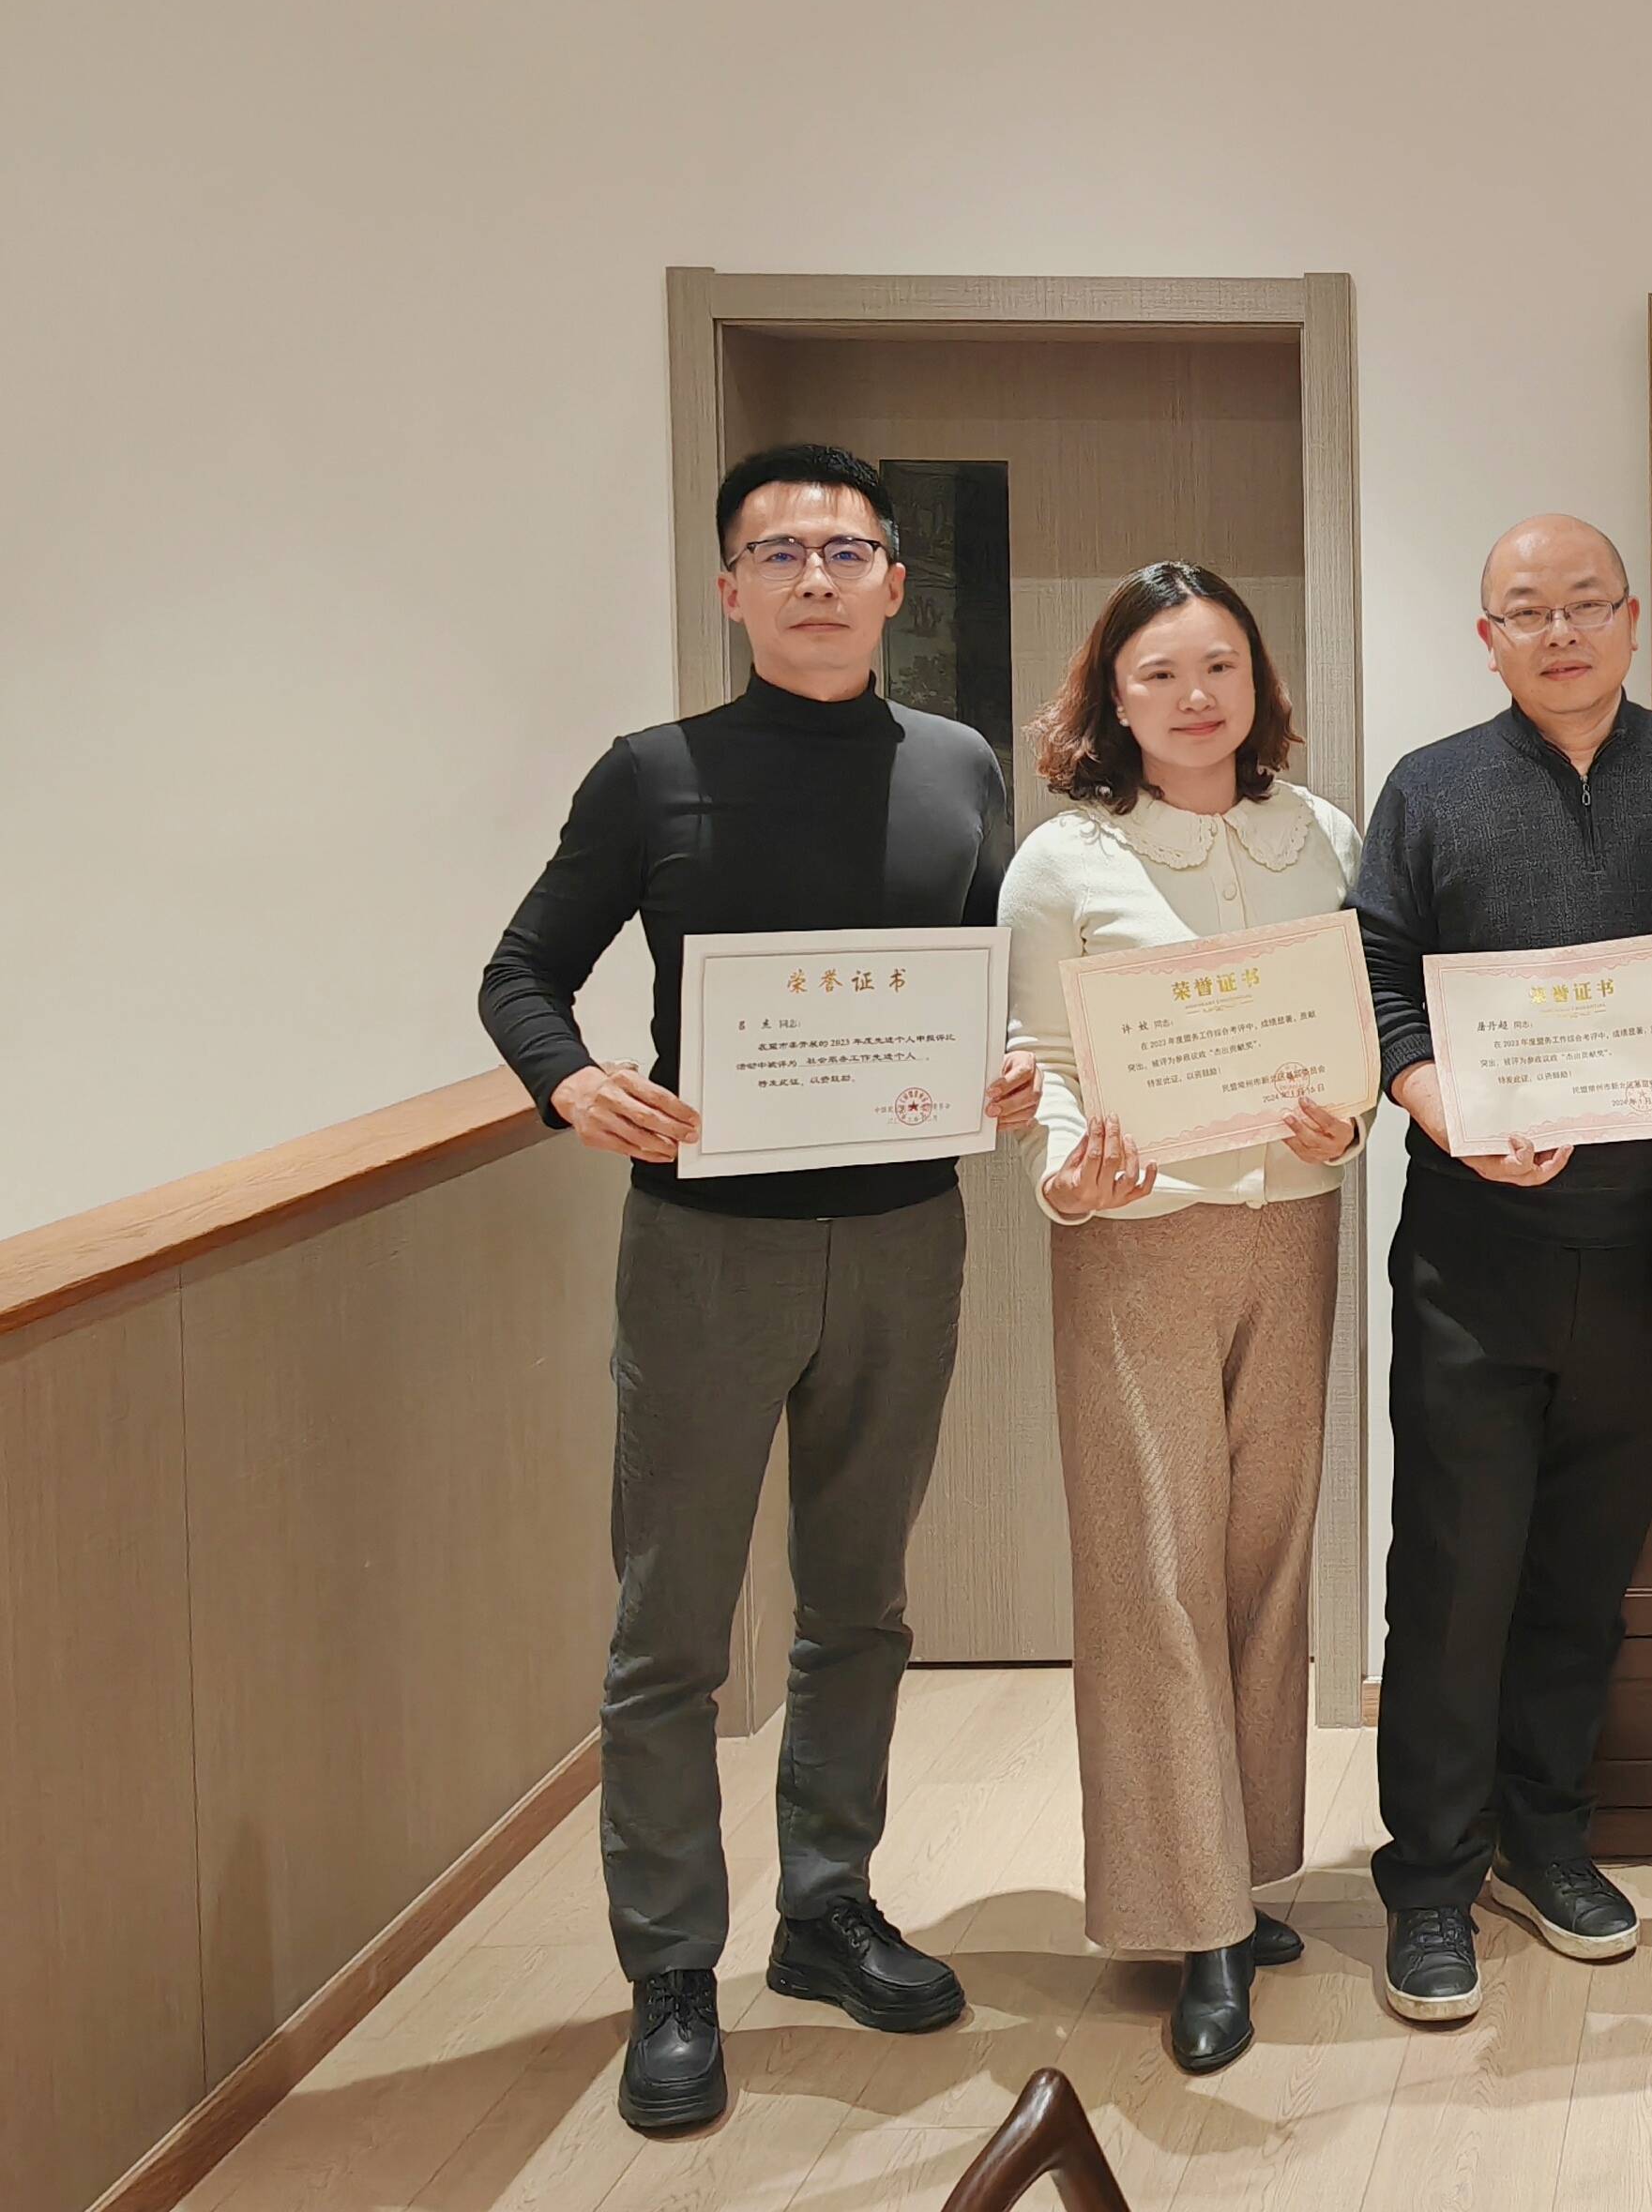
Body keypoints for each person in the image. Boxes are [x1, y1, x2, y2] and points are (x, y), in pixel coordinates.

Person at [477, 441, 1038, 2136]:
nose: (815, 578)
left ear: (893, 583)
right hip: (705, 1246)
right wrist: (571, 1082)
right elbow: (523, 973)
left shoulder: (957, 767)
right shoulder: (653, 775)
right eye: (780, 552)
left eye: (845, 551)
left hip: (906, 1236)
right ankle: (670, 1967)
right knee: (672, 1623)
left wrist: (1013, 1063)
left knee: (861, 1602)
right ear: (730, 587)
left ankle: (825, 1907)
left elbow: (987, 981)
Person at [1348, 516, 1652, 2026]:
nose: (1560, 631)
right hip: (1474, 1253)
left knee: (1584, 1577)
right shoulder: (1431, 787)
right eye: (1528, 610)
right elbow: (1376, 976)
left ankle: (1546, 1840)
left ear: (1633, 620)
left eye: (1585, 604)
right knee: (1454, 1577)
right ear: (1488, 637)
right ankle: (1430, 1881)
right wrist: (1441, 1104)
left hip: (1646, 1252)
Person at [996, 562, 1370, 2075]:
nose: (1194, 696)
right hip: (1133, 1241)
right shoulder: (1064, 859)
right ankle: (1189, 1916)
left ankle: (1246, 1871)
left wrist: (1349, 1123)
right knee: (1152, 1571)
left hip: (1295, 1226)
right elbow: (1040, 1057)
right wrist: (1067, 1177)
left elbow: (1352, 1032)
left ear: (1259, 681)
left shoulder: (1322, 834)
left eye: (1219, 665)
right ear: (1112, 695)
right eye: (1158, 672)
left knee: (1265, 1559)